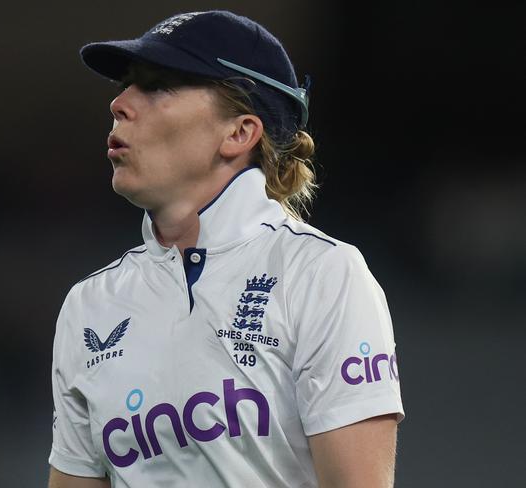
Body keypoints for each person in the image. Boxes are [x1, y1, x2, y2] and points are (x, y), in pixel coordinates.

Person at [48, 10, 405, 488]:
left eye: (157, 86)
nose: (119, 103)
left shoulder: (322, 273)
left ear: (239, 133)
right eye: (126, 86)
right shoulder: (89, 306)